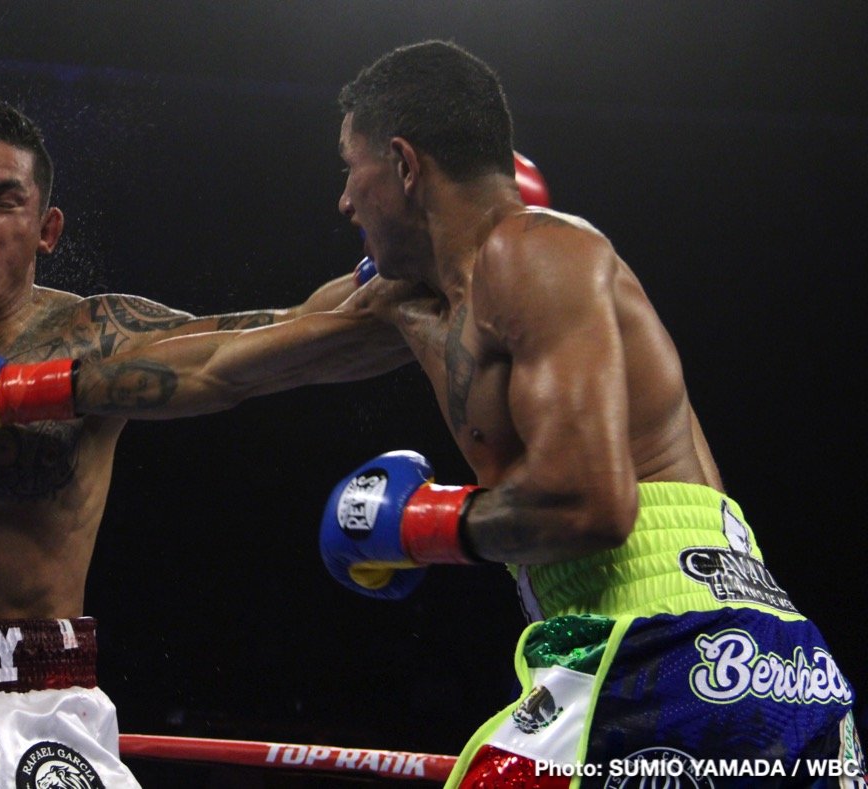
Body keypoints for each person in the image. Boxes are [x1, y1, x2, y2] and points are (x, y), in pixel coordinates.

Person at [49, 40, 866, 787]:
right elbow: (223, 363)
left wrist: (420, 525)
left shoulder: (537, 251)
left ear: (403, 164)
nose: (343, 200)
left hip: (664, 649)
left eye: (351, 168)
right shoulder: (415, 300)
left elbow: (592, 501)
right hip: (755, 666)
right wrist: (21, 391)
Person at [0, 99, 401, 789]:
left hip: (39, 701)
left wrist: (410, 258)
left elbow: (285, 336)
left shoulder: (98, 338)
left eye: (5, 201)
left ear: (46, 230)